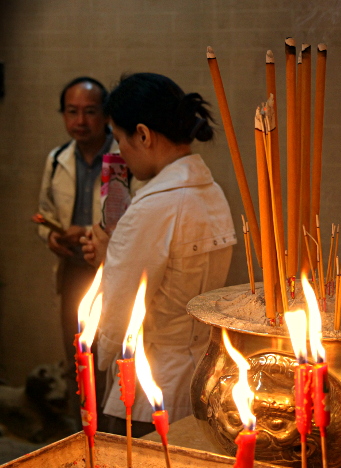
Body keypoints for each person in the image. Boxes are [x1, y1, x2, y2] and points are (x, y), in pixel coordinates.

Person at [81, 73, 236, 436]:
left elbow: (117, 316)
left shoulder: (155, 206)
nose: (119, 152)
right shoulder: (212, 193)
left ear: (144, 134)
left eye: (120, 140)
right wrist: (112, 254)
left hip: (145, 390)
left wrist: (109, 260)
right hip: (201, 377)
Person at [36, 76, 119, 428]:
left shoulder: (123, 156)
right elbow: (46, 214)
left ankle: (112, 436)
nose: (80, 121)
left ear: (105, 116)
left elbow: (129, 220)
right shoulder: (57, 159)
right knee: (77, 359)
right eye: (72, 112)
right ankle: (82, 431)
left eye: (89, 112)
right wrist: (51, 236)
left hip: (111, 273)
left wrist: (86, 232)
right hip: (72, 272)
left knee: (110, 360)